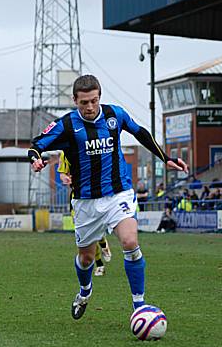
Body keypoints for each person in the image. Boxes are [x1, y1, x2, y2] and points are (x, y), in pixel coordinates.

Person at [28, 75, 188, 319]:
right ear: (75, 100)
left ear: (100, 97)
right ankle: (85, 290)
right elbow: (36, 144)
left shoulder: (115, 115)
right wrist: (36, 159)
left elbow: (141, 132)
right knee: (86, 258)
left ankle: (140, 307)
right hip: (85, 202)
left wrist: (165, 158)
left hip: (118, 194)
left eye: (94, 101)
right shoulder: (67, 125)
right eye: (84, 103)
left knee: (130, 242)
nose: (90, 107)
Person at [58, 150, 112, 276]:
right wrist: (64, 177)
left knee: (95, 229)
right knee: (86, 234)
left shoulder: (91, 147)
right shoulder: (64, 152)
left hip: (94, 197)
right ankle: (99, 265)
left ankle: (103, 243)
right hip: (76, 198)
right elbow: (62, 173)